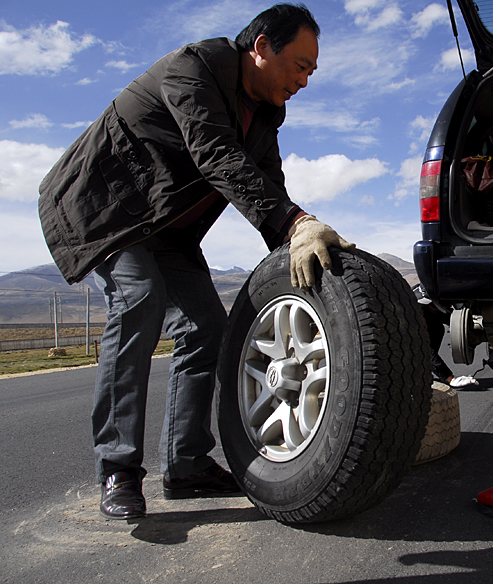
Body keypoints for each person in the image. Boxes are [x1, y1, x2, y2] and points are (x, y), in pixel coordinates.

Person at [38, 4, 353, 520]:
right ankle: (118, 468)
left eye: (311, 72)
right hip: (108, 212)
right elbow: (217, 157)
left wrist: (298, 246)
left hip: (168, 232)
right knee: (139, 299)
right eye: (300, 65)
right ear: (261, 48)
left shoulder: (266, 116)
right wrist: (296, 222)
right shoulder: (195, 68)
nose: (304, 80)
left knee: (208, 327)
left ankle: (186, 466)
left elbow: (268, 189)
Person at [413, 284, 479, 388]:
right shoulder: (415, 312)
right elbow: (426, 351)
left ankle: (422, 371)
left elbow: (453, 320)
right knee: (425, 346)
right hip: (399, 336)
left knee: (438, 328)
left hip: (426, 313)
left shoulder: (432, 294)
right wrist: (450, 378)